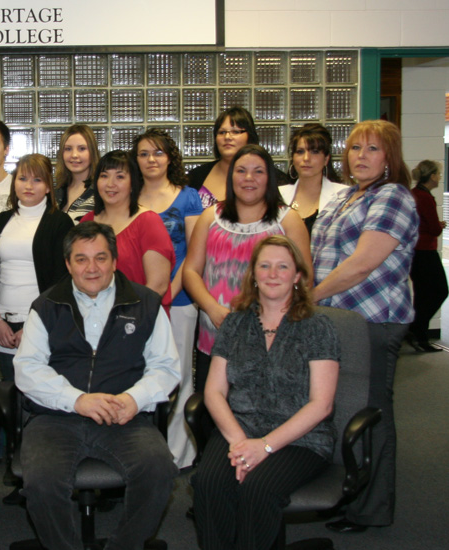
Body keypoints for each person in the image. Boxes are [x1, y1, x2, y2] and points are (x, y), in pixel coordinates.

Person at [14, 222, 180, 550]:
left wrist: (134, 399)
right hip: (56, 418)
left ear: (115, 261)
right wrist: (77, 400)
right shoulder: (46, 305)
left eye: (101, 258)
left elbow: (166, 368)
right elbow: (27, 369)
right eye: (82, 259)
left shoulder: (145, 302)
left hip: (124, 416)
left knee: (160, 470)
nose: (92, 268)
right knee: (41, 482)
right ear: (68, 264)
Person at [192, 235, 340, 550]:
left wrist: (265, 446)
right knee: (208, 483)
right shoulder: (234, 323)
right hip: (239, 431)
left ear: (297, 276)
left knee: (258, 490)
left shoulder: (318, 327)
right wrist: (239, 442)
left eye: (283, 266)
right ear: (253, 275)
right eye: (265, 266)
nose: (273, 274)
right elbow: (214, 391)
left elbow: (322, 404)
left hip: (300, 439)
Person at [311, 120, 419, 533]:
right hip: (341, 321)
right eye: (356, 148)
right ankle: (347, 495)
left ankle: (371, 508)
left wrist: (310, 297)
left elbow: (361, 264)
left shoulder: (393, 197)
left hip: (373, 321)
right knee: (345, 410)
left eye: (373, 149)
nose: (361, 156)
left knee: (371, 413)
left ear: (390, 157)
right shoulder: (349, 196)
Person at [183, 144, 310, 393]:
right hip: (215, 337)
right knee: (210, 417)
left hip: (271, 340)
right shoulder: (211, 216)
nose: (249, 178)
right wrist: (213, 310)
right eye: (241, 171)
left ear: (270, 178)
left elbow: (304, 278)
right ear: (231, 177)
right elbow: (191, 272)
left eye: (258, 172)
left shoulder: (288, 220)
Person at [133, 129, 203, 469]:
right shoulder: (129, 195)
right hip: (136, 302)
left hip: (178, 300)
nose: (151, 160)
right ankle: (142, 451)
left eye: (158, 153)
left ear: (170, 158)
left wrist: (168, 292)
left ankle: (176, 455)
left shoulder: (188, 197)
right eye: (144, 154)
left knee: (178, 376)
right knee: (140, 374)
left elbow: (194, 252)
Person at [0, 154, 73, 381]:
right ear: (14, 183)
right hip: (0, 324)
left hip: (41, 322)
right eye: (22, 179)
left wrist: (33, 325)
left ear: (49, 188)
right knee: (4, 395)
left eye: (37, 180)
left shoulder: (59, 222)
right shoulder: (0, 221)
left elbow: (61, 281)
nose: (29, 186)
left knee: (38, 393)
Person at [80, 150, 175, 308]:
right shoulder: (87, 221)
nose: (110, 184)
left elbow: (158, 286)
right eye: (104, 176)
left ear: (133, 183)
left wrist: (125, 317)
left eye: (120, 176)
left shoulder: (148, 221)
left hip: (139, 317)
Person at [408, 160, 449, 353]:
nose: (440, 177)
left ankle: (419, 335)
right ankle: (417, 329)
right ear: (432, 176)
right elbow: (433, 228)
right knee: (440, 291)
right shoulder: (425, 197)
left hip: (414, 252)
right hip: (425, 251)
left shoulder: (414, 194)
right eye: (438, 174)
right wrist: (438, 226)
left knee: (422, 295)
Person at [279, 123, 348, 235]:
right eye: (300, 152)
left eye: (315, 152)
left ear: (326, 159)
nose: (306, 158)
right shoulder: (278, 194)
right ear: (293, 157)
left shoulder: (343, 196)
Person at [187, 107, 259, 209]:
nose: (228, 137)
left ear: (250, 136)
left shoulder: (271, 177)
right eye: (222, 132)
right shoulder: (196, 177)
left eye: (235, 132)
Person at [54, 124, 100, 221]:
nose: (74, 155)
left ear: (92, 152)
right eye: (68, 149)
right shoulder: (55, 191)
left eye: (82, 148)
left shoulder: (101, 191)